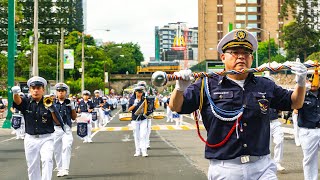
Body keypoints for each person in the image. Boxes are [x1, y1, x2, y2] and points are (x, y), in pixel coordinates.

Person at [169, 29, 307, 180]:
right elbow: (176, 107)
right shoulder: (206, 85)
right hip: (226, 168)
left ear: (251, 58)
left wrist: (300, 83)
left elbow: (296, 102)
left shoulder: (265, 84)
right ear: (223, 57)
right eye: (234, 52)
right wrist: (179, 89)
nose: (241, 56)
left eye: (246, 53)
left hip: (262, 166)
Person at [11, 76, 64, 180]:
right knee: (32, 166)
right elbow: (17, 102)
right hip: (30, 138)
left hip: (46, 138)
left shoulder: (48, 102)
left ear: (43, 90)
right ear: (30, 90)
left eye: (38, 88)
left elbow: (58, 122)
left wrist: (52, 109)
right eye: (33, 88)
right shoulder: (26, 102)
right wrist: (15, 93)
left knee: (47, 160)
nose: (36, 90)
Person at [296, 72, 320, 180]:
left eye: (315, 80)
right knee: (310, 159)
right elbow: (294, 106)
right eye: (310, 81)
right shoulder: (302, 94)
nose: (313, 83)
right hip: (308, 131)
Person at [53, 83, 77, 177]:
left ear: (66, 92)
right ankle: (60, 169)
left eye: (62, 91)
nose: (61, 93)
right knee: (57, 150)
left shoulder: (69, 103)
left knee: (67, 147)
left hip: (66, 128)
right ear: (56, 92)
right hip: (56, 129)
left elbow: (74, 117)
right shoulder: (53, 103)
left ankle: (65, 168)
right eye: (59, 91)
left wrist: (72, 107)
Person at [128, 86, 149, 157]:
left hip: (143, 118)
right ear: (135, 92)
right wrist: (134, 104)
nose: (140, 93)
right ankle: (137, 151)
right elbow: (129, 109)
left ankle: (144, 151)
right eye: (138, 92)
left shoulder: (144, 99)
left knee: (143, 135)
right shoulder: (132, 99)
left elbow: (149, 107)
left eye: (141, 92)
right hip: (135, 119)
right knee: (136, 136)